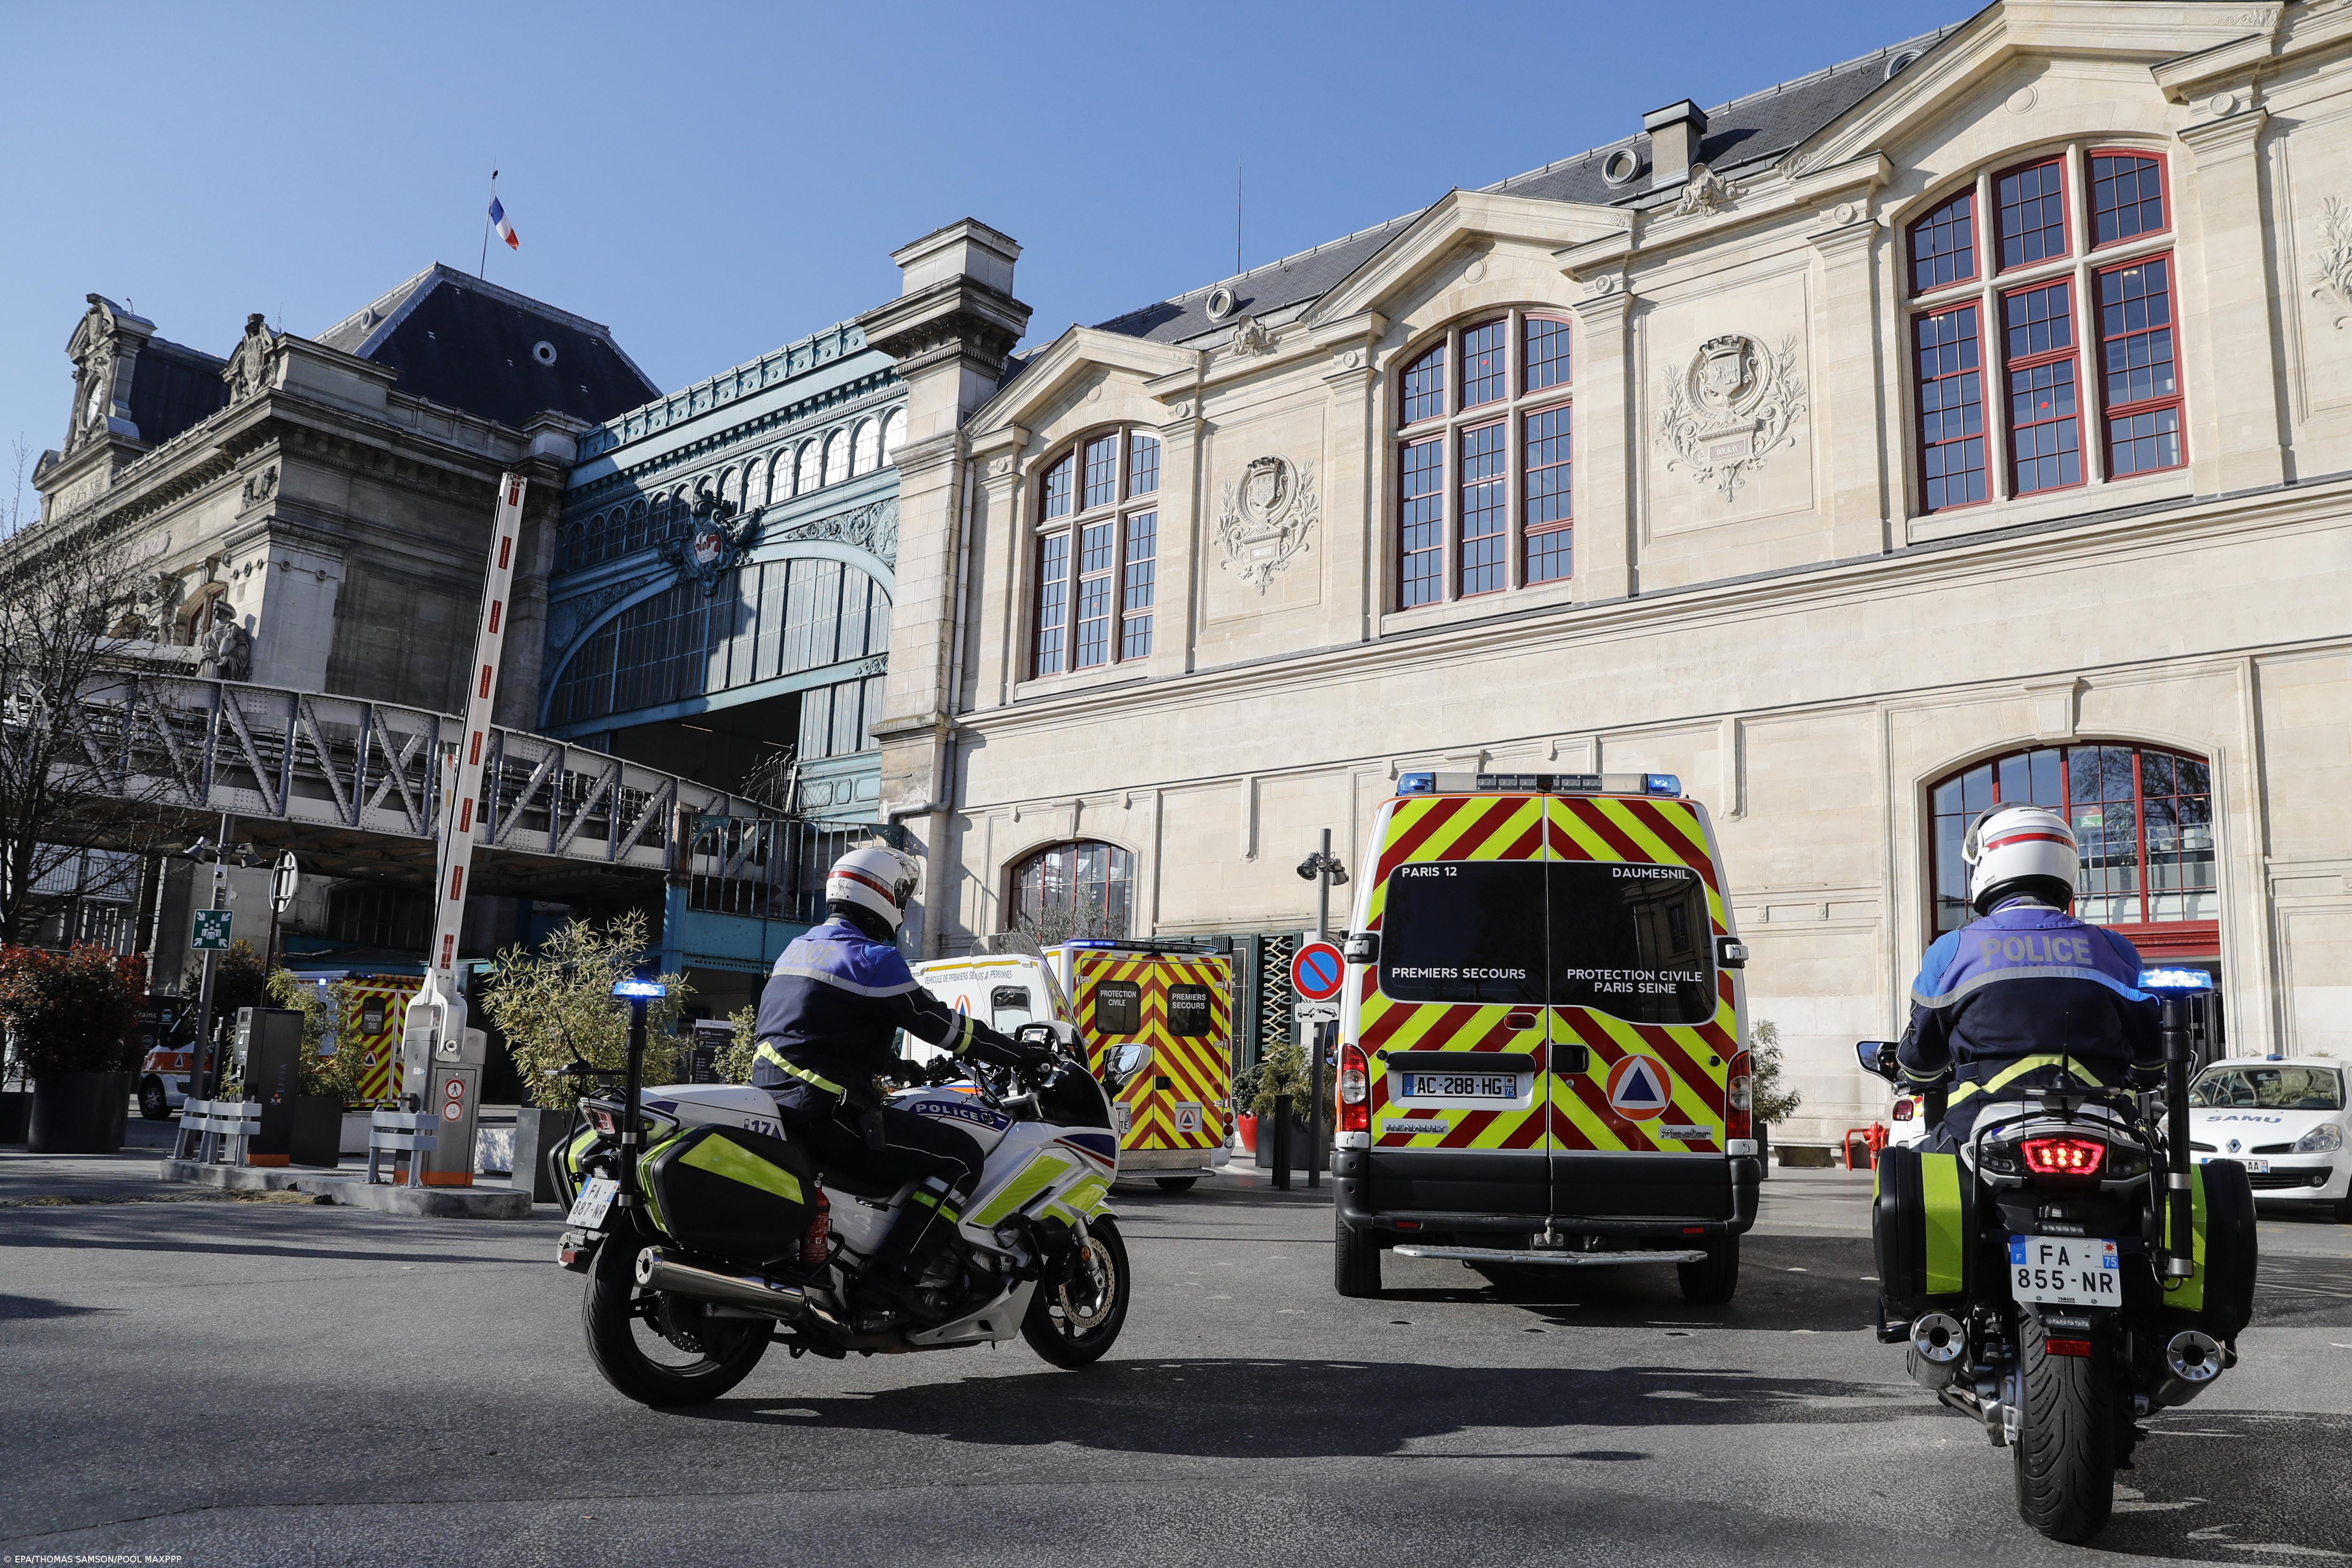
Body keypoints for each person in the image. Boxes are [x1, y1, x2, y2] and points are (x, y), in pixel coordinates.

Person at [750, 844, 1047, 1315]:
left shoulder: (798, 948)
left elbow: (820, 1031)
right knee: (962, 1157)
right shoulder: (870, 958)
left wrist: (896, 1067)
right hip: (828, 1114)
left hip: (777, 1105)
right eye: (902, 894)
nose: (904, 908)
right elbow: (944, 1026)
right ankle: (893, 1277)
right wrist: (1019, 1053)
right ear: (881, 895)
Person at [1898, 804, 2161, 1148]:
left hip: (1981, 1127)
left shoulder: (1954, 949)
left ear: (1986, 866)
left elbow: (1922, 1057)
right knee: (2152, 1174)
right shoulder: (2115, 949)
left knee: (1910, 1170)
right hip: (2103, 1122)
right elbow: (2151, 1052)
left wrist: (1912, 1073)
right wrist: (2145, 1074)